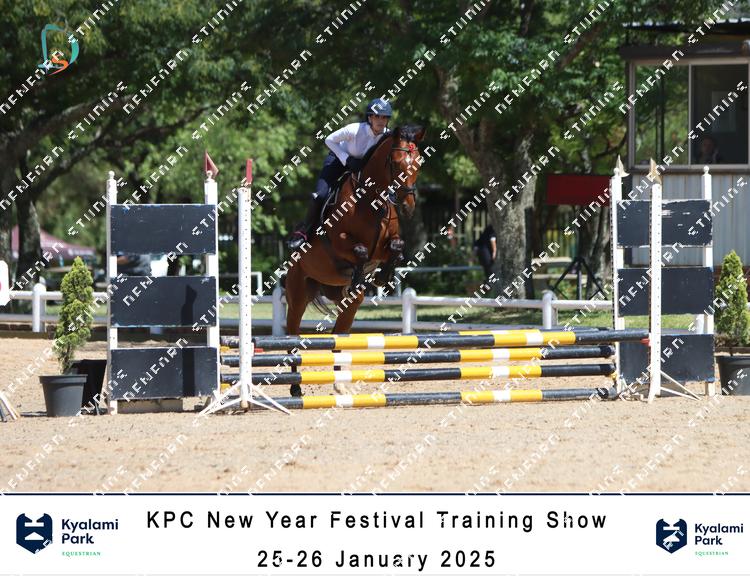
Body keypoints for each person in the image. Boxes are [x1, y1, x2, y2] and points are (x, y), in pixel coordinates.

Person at [287, 98, 392, 250]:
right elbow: (329, 140)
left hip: (361, 168)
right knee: (319, 195)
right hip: (338, 160)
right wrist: (346, 159)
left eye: (384, 117)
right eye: (377, 116)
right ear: (370, 118)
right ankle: (303, 232)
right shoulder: (354, 129)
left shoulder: (387, 137)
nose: (381, 121)